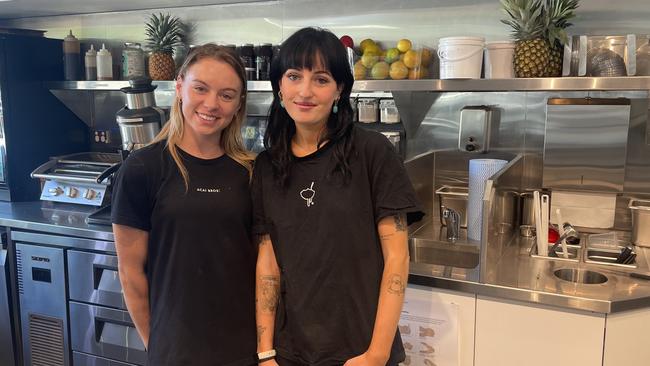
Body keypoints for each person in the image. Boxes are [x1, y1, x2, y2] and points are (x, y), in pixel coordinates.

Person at [253, 27, 423, 366]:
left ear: (339, 89)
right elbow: (268, 265)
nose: (305, 91)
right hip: (291, 352)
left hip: (360, 350)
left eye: (320, 79)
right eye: (293, 76)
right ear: (279, 86)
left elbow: (397, 258)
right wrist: (265, 352)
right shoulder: (267, 166)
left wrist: (376, 354)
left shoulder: (372, 152)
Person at [111, 44, 257, 365]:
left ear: (238, 104)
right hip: (175, 349)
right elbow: (131, 273)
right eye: (200, 89)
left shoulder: (250, 173)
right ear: (179, 86)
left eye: (226, 95)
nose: (211, 104)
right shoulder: (142, 168)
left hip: (244, 347)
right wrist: (159, 346)